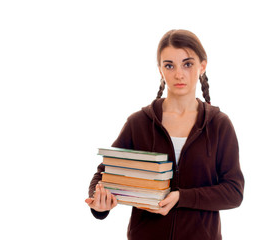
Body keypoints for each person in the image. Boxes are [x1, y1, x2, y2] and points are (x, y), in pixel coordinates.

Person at [85, 29, 245, 240]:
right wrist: (99, 203)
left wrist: (182, 197)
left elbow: (233, 192)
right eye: (169, 65)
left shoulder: (218, 125)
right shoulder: (139, 122)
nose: (178, 74)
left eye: (187, 64)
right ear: (160, 70)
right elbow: (103, 174)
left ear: (202, 66)